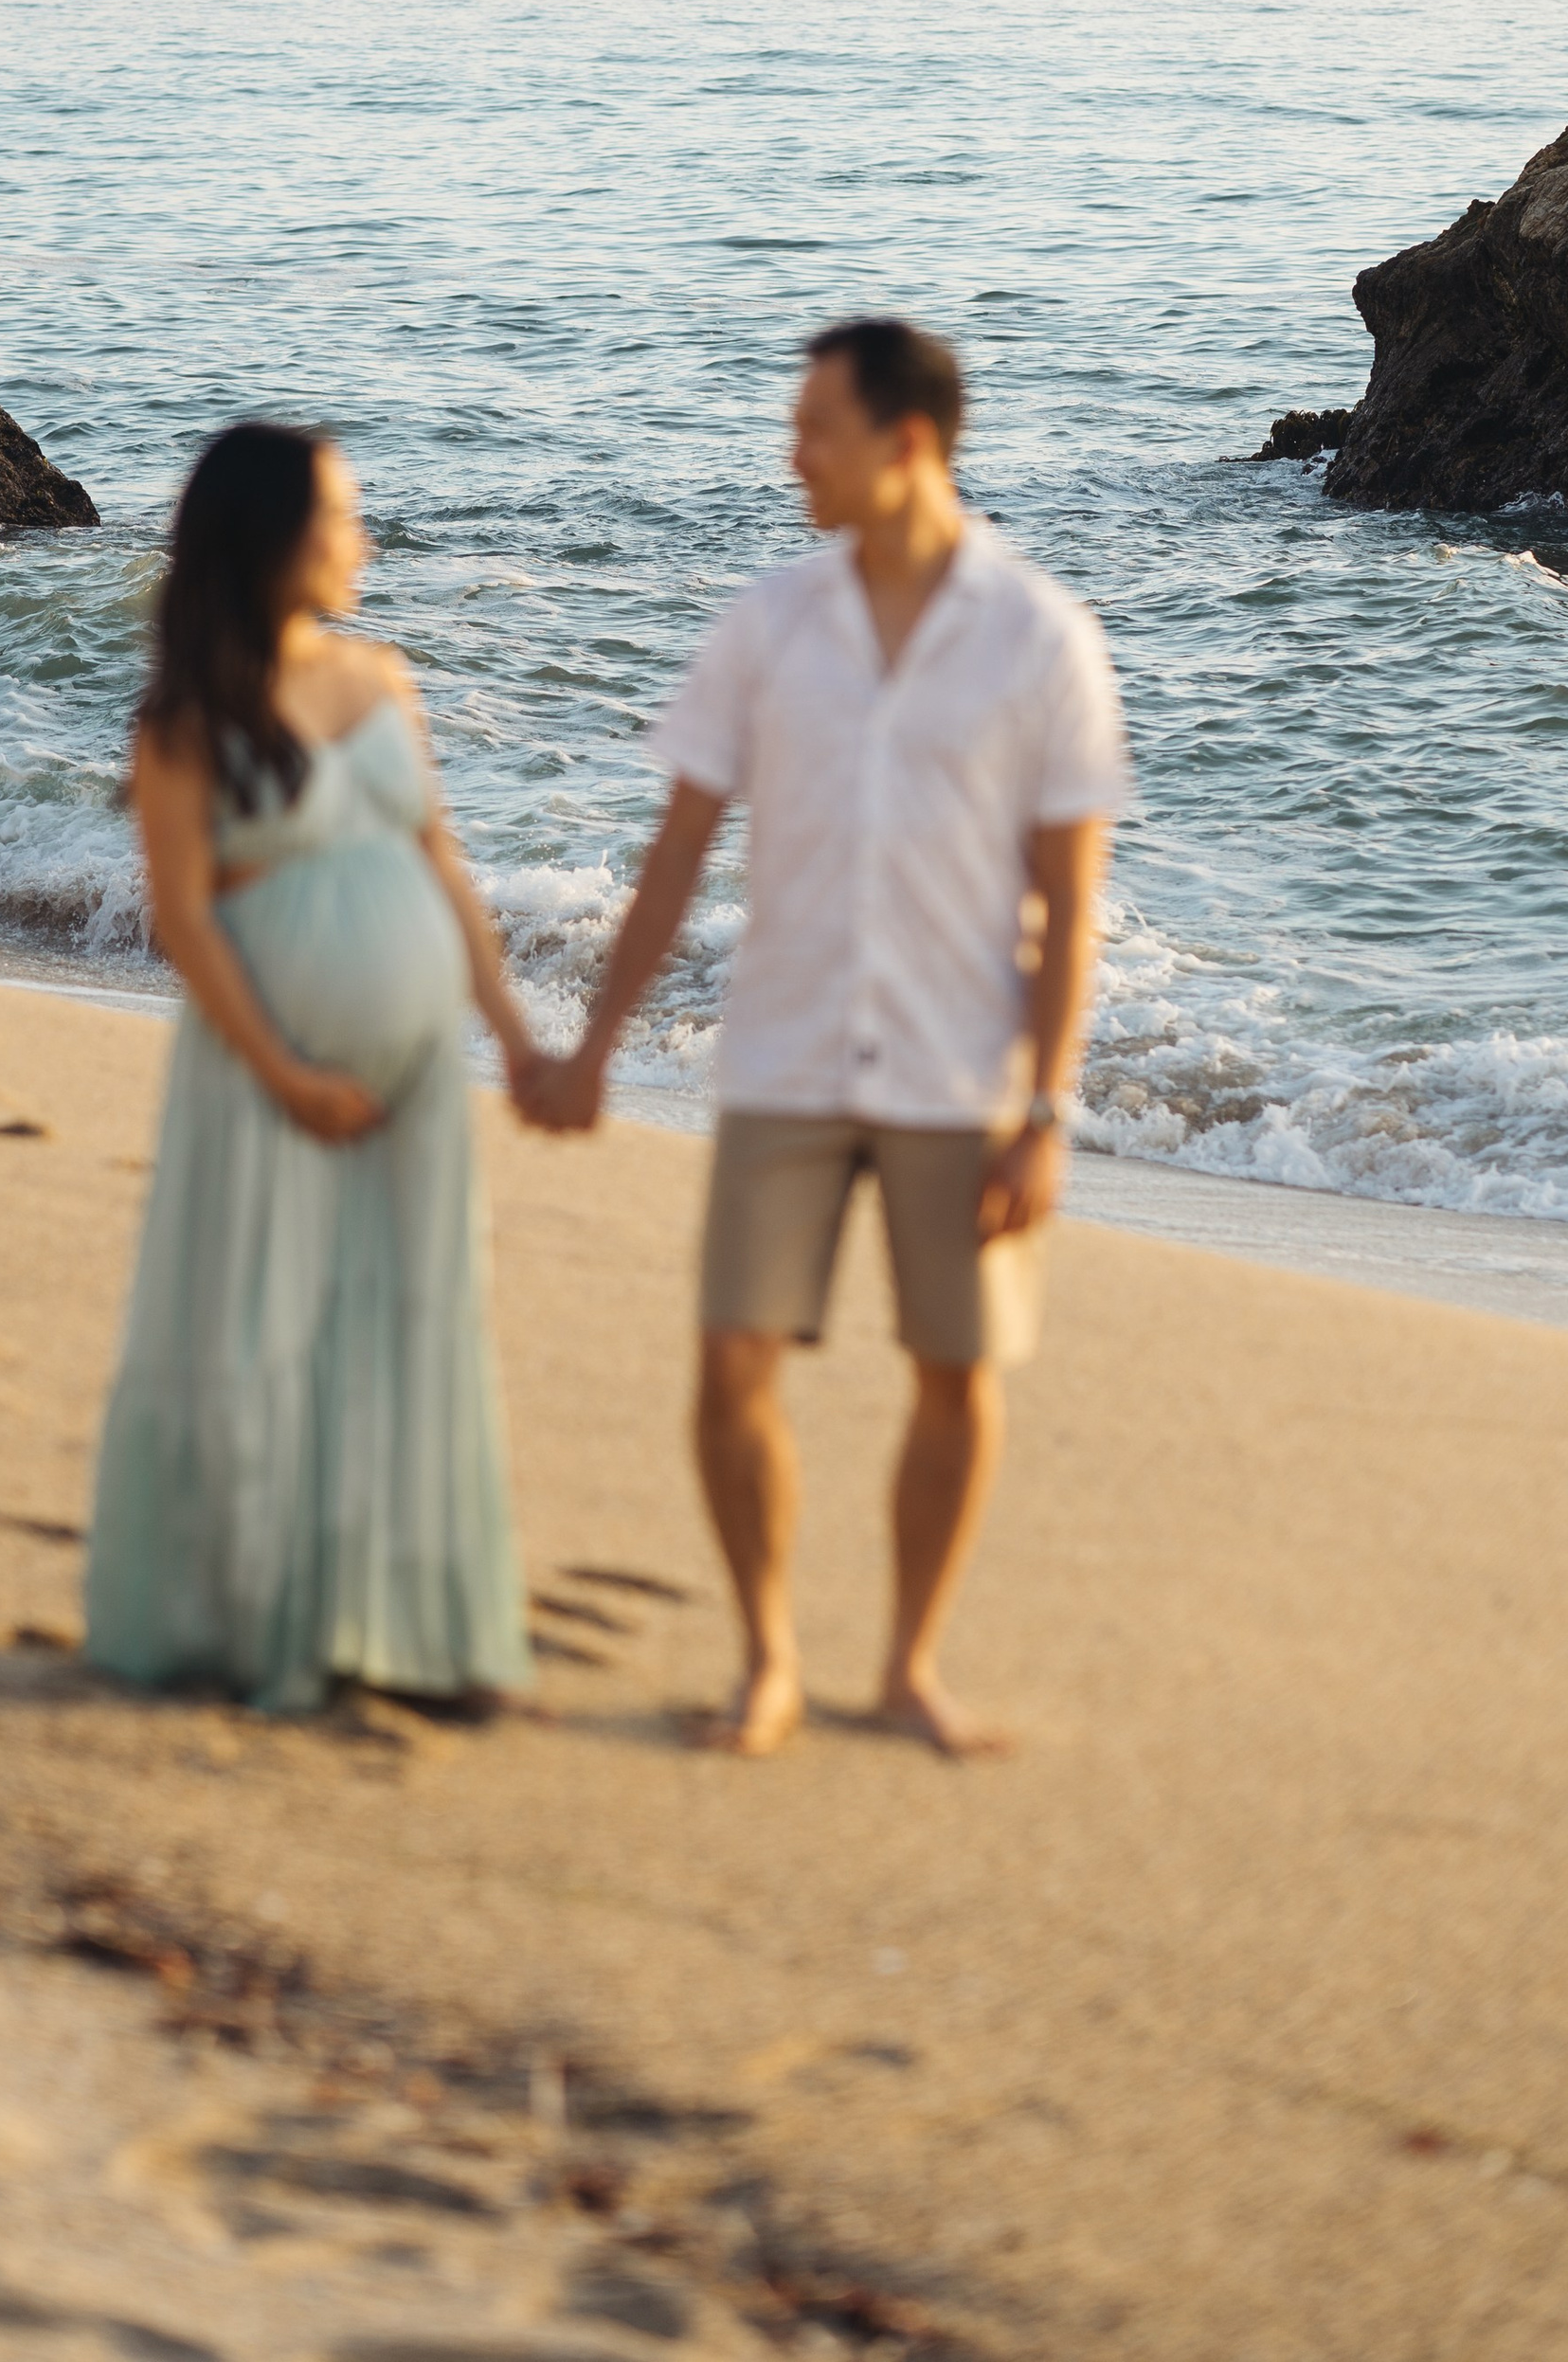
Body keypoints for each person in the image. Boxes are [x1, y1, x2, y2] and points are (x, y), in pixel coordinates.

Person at [526, 319, 1129, 1758]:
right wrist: (594, 1042)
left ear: (907, 443)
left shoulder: (1040, 637)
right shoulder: (770, 622)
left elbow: (1072, 903)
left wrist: (1048, 1109)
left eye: (816, 430)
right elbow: (676, 853)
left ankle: (909, 1664)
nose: (792, 455)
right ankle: (768, 1659)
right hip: (785, 1054)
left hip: (958, 1069)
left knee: (956, 1373)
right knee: (732, 1362)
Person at [84, 420, 536, 1716]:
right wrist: (283, 1070)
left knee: (411, 1317)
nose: (364, 538)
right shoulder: (181, 725)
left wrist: (507, 1027)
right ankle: (254, 1621)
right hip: (262, 1067)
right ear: (272, 538)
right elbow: (185, 918)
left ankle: (410, 1627)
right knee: (266, 1326)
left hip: (411, 1075)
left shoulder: (383, 675)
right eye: (341, 515)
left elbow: (442, 858)